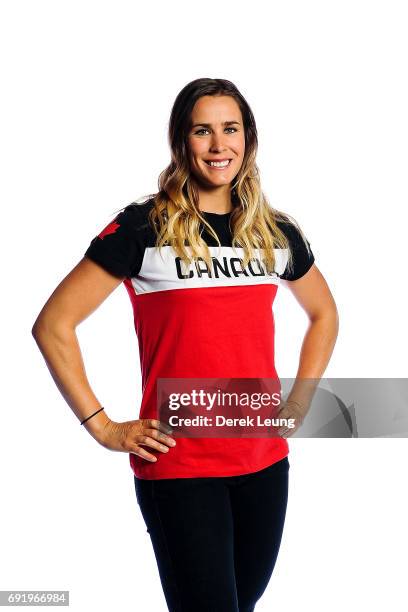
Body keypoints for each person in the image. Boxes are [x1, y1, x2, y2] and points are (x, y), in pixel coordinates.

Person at [32, 78, 339, 612]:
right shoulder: (142, 228)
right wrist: (103, 427)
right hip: (179, 468)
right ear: (181, 140)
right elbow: (54, 324)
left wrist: (300, 400)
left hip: (264, 464)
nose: (219, 146)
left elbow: (323, 314)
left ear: (249, 139)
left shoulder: (273, 232)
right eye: (203, 131)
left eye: (231, 129)